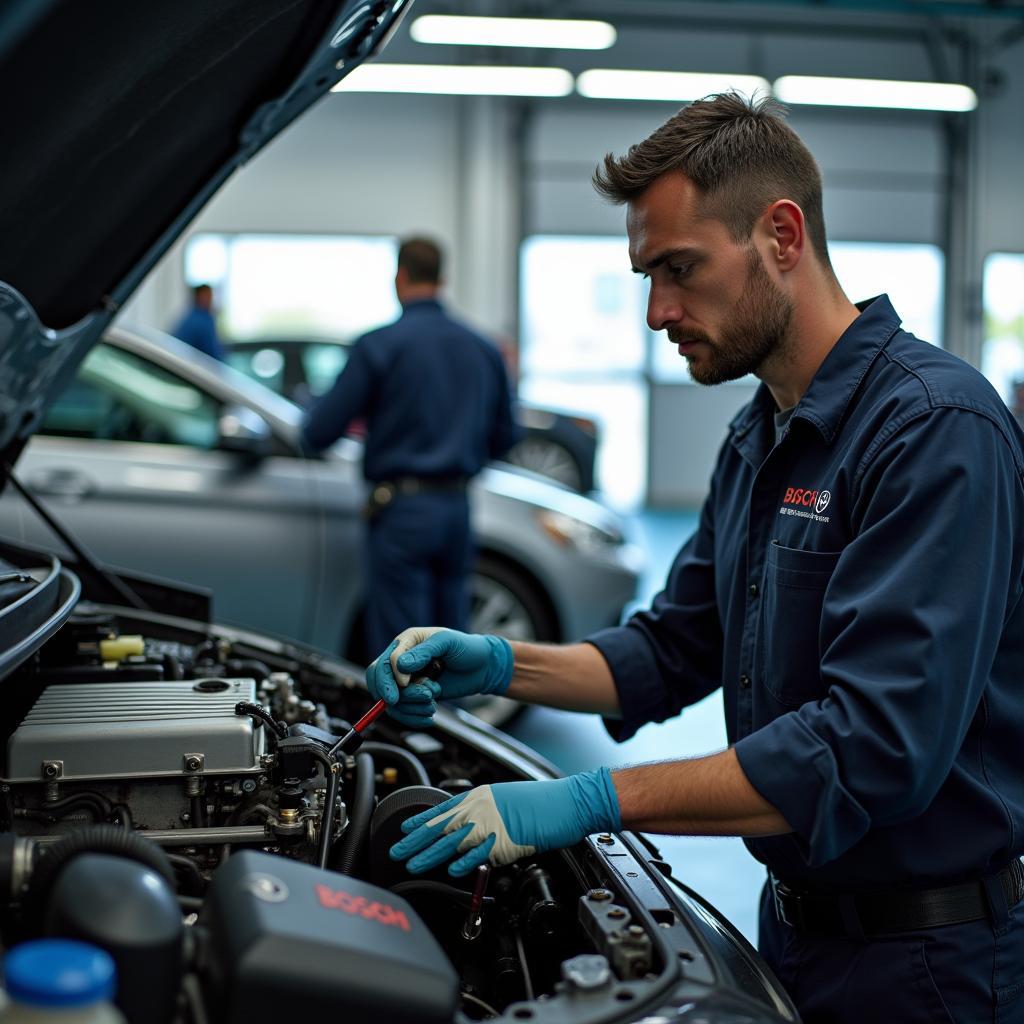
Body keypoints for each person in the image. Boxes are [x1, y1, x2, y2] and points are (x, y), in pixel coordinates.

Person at [365, 95, 1024, 1022]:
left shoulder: (932, 430)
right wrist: (502, 663)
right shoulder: (760, 437)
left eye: (680, 269)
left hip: (928, 961)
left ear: (781, 235)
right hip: (793, 928)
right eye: (645, 275)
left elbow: (870, 750)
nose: (656, 311)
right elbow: (672, 648)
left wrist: (590, 799)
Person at [302, 236, 520, 660]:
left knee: (403, 649)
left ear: (399, 278)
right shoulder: (482, 348)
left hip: (401, 511)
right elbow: (506, 436)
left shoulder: (379, 345)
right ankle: (448, 724)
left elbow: (320, 431)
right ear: (443, 278)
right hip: (458, 508)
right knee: (451, 642)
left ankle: (403, 727)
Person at [170, 283, 225, 360]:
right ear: (198, 298)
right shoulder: (202, 322)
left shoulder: (190, 317)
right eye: (207, 296)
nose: (210, 300)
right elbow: (213, 355)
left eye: (210, 296)